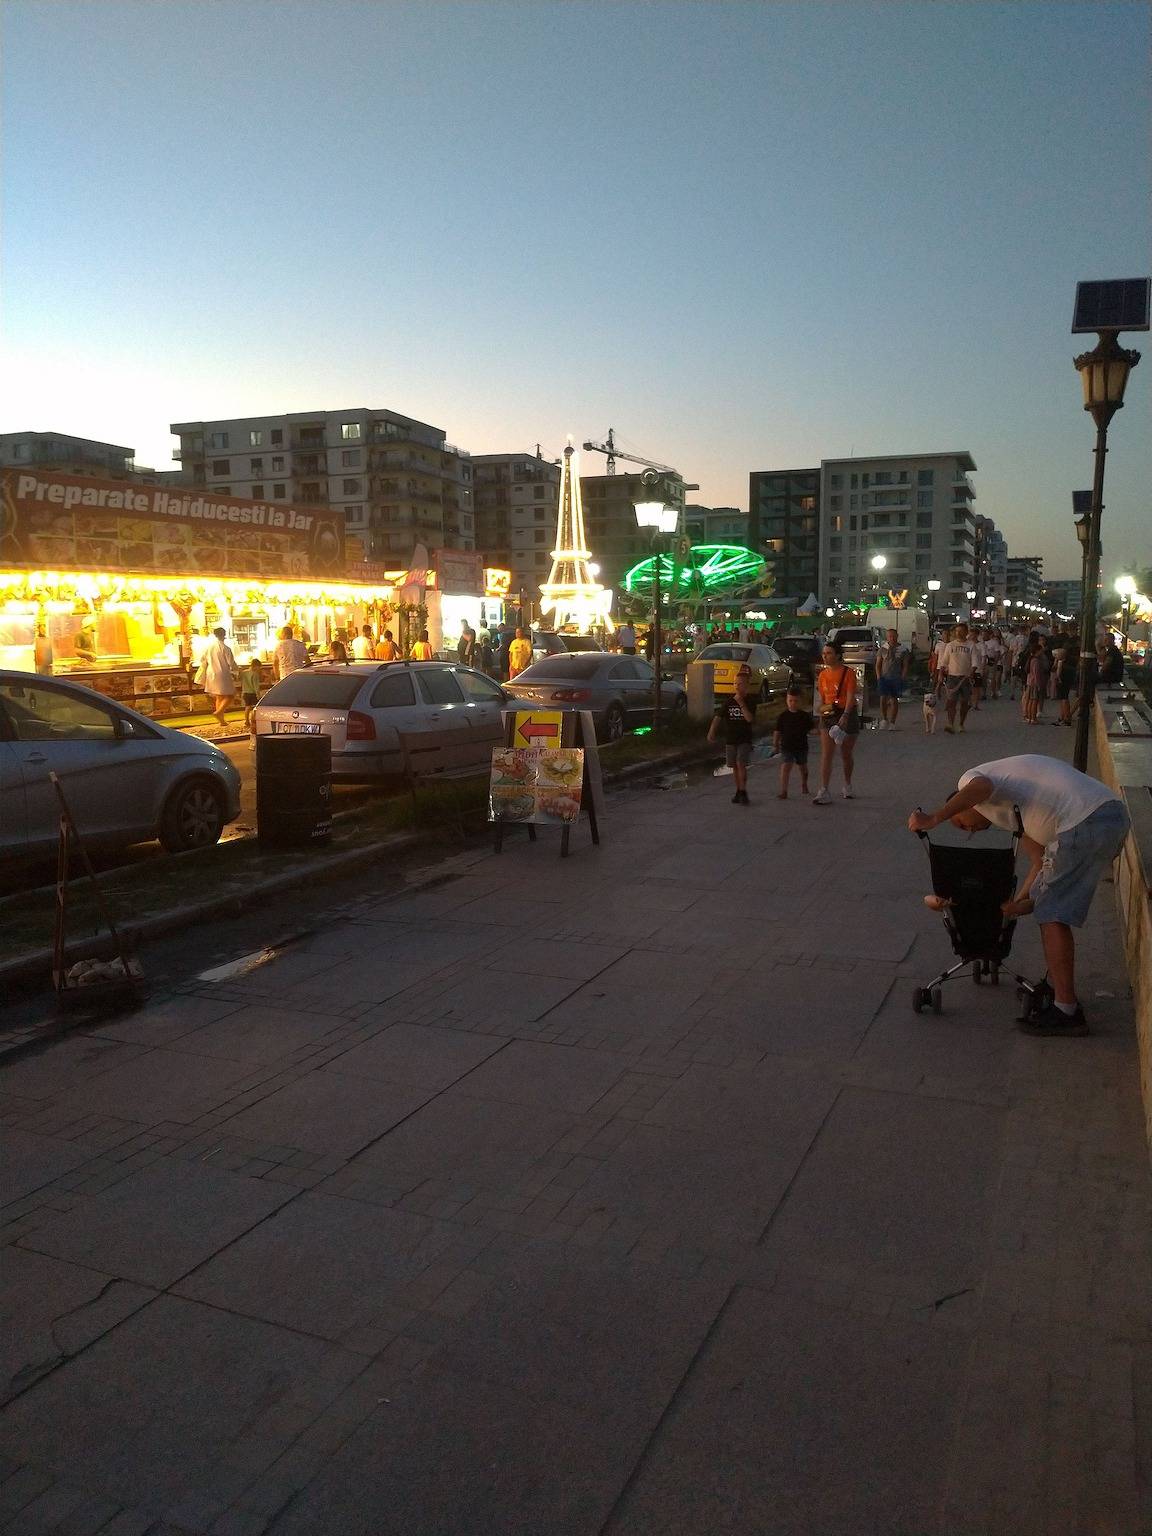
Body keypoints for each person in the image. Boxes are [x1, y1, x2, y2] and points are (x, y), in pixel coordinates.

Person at [907, 755, 1129, 1036]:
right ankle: (1058, 989)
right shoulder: (1014, 814)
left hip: (1084, 821)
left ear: (962, 803)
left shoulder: (972, 781)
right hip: (1107, 817)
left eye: (961, 824)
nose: (970, 831)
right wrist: (1018, 901)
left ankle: (1066, 1010)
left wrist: (936, 817)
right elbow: (1038, 862)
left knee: (1052, 914)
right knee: (1047, 903)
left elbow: (981, 787)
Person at [812, 640, 859, 804]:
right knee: (827, 753)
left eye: (829, 653)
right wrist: (820, 719)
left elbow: (852, 695)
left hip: (846, 712)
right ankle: (824, 789)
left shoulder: (848, 673)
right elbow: (822, 698)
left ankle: (847, 784)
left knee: (846, 753)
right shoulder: (823, 675)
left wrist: (845, 715)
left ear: (838, 655)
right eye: (824, 653)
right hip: (828, 711)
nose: (825, 656)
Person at [708, 662, 756, 805]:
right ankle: (738, 790)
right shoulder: (729, 702)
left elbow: (749, 719)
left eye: (740, 684)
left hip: (744, 738)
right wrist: (712, 731)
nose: (737, 686)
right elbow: (718, 717)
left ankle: (743, 790)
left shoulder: (750, 701)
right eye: (735, 683)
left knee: (741, 763)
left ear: (746, 685)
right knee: (734, 765)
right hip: (731, 738)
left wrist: (741, 703)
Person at [773, 685, 813, 799]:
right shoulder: (783, 716)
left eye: (795, 701)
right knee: (786, 766)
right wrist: (775, 744)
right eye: (790, 700)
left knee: (803, 767)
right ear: (786, 700)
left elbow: (811, 729)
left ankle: (804, 784)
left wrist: (821, 731)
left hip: (801, 746)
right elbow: (777, 731)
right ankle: (784, 790)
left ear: (800, 701)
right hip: (786, 746)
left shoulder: (804, 716)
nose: (793, 703)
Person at [937, 621, 977, 733]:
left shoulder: (971, 645)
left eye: (961, 631)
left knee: (965, 702)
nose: (958, 633)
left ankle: (961, 724)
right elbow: (943, 662)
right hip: (952, 677)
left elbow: (975, 662)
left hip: (965, 678)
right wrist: (940, 674)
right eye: (957, 631)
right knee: (951, 701)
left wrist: (971, 672)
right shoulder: (950, 645)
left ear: (966, 632)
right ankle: (950, 723)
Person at [196, 626, 239, 725]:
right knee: (230, 695)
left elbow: (202, 659)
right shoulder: (226, 648)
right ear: (224, 635)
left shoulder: (209, 647)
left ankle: (221, 720)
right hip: (222, 673)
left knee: (219, 696)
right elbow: (231, 663)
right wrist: (237, 671)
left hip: (211, 673)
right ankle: (219, 712)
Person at [875, 626, 910, 730]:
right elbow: (878, 664)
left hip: (896, 677)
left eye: (894, 636)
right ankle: (884, 719)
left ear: (897, 636)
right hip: (884, 677)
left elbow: (905, 665)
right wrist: (878, 676)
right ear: (887, 637)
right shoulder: (883, 649)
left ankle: (892, 722)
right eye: (890, 636)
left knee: (894, 699)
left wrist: (903, 676)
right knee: (883, 698)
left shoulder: (903, 649)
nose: (892, 638)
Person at [1022, 636, 1050, 725]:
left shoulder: (1031, 659)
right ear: (1037, 651)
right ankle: (1033, 718)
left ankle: (1030, 717)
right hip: (1035, 683)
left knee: (1030, 701)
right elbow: (1037, 674)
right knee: (1034, 701)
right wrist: (1039, 685)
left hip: (1030, 682)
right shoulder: (1036, 661)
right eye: (1040, 650)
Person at [239, 655, 263, 738]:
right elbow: (256, 686)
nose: (259, 669)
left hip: (245, 692)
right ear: (256, 666)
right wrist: (259, 695)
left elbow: (240, 680)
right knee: (255, 708)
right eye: (259, 667)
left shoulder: (244, 672)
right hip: (252, 693)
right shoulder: (255, 674)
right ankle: (255, 721)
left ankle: (246, 721)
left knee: (247, 707)